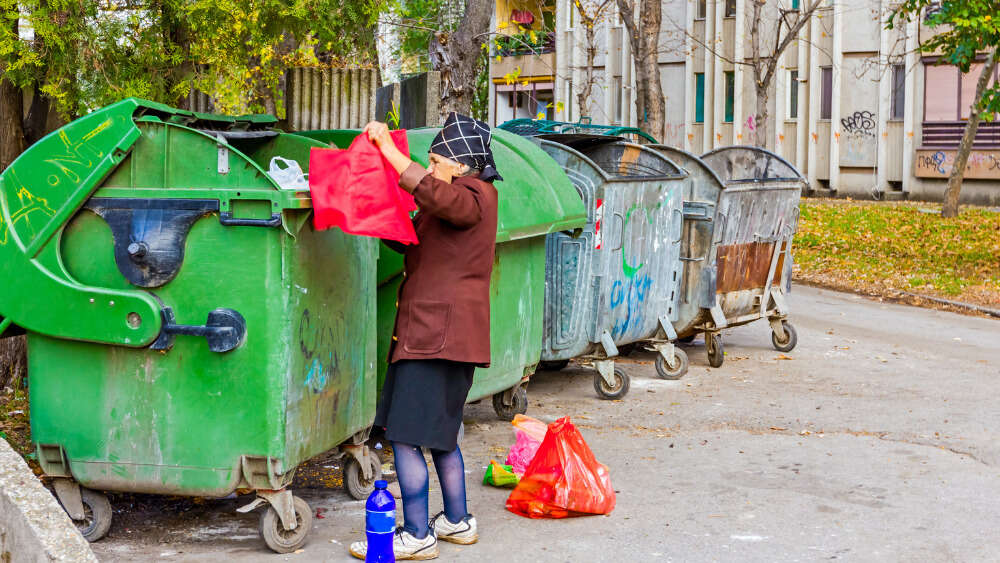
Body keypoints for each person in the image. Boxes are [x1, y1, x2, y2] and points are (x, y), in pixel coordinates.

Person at [349, 113, 501, 561]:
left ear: (460, 164)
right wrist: (366, 214)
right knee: (441, 435)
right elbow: (414, 238)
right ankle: (456, 521)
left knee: (406, 436)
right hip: (445, 335)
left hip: (437, 335)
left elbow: (438, 196)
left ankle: (416, 533)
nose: (431, 169)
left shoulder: (476, 195)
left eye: (436, 161)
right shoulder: (455, 203)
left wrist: (391, 153)